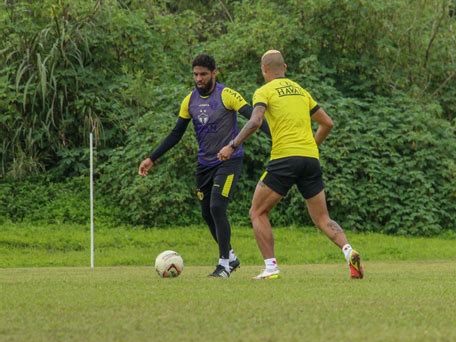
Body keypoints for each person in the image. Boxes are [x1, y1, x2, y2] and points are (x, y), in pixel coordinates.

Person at [218, 50, 364, 280]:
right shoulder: (300, 91)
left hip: (284, 158)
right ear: (284, 67)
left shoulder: (264, 91)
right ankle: (349, 252)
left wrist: (232, 145)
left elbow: (255, 121)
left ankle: (271, 267)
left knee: (257, 211)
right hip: (310, 159)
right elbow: (327, 123)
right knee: (323, 219)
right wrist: (310, 147)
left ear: (264, 70)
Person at [139, 53, 270, 278]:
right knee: (207, 213)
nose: (199, 79)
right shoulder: (189, 101)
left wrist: (279, 140)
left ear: (214, 73)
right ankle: (230, 256)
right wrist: (152, 157)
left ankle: (224, 265)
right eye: (195, 74)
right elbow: (176, 133)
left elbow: (255, 119)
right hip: (204, 165)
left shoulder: (227, 95)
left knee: (218, 207)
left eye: (203, 74)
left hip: (229, 160)